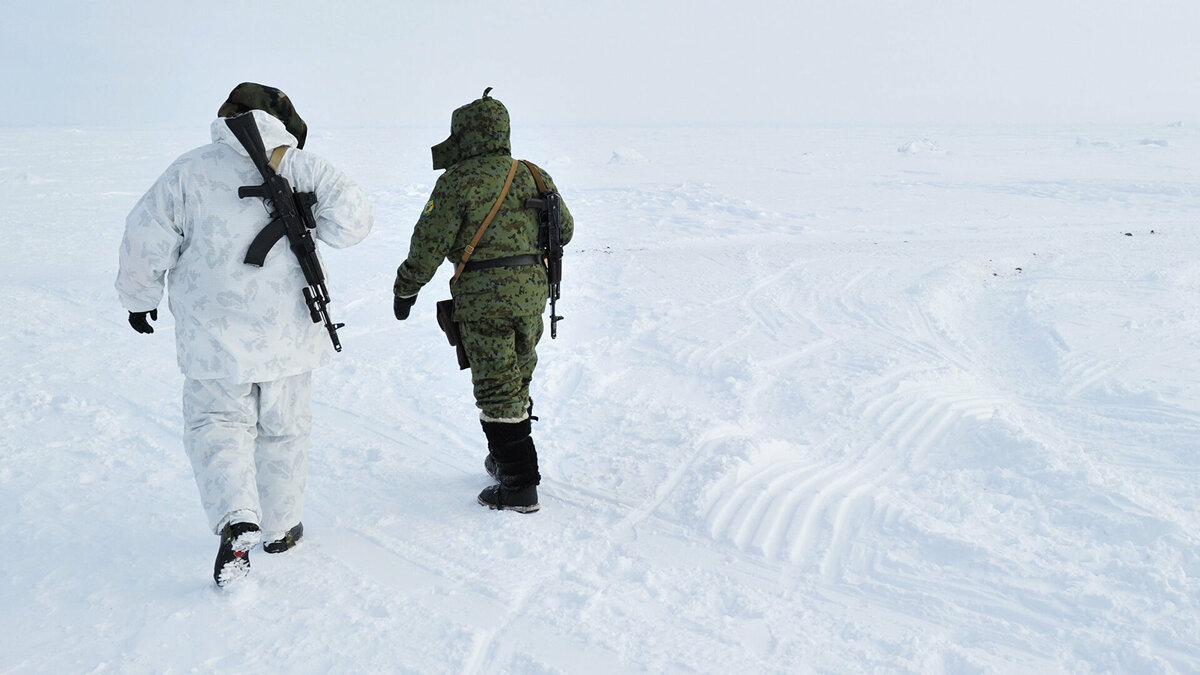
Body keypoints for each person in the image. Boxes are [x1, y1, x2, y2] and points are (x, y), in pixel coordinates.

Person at [115, 83, 373, 586]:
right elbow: (353, 224)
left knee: (217, 427)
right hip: (291, 333)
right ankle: (279, 529)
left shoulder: (187, 171)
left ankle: (238, 518)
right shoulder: (303, 166)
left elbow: (144, 239)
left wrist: (138, 299)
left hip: (213, 339)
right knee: (284, 432)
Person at [392, 89, 573, 513]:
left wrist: (406, 287)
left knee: (496, 385)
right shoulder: (534, 174)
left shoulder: (457, 180)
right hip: (532, 293)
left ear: (465, 134)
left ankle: (519, 485)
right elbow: (563, 231)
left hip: (483, 298)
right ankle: (503, 456)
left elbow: (429, 244)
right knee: (518, 374)